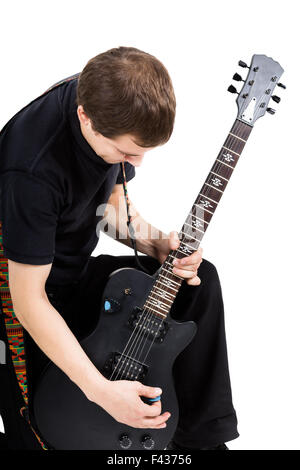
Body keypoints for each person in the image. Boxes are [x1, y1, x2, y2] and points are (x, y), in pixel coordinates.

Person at [0, 46, 238, 450]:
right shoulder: (32, 173)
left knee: (199, 281)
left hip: (70, 273)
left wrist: (158, 243)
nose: (137, 162)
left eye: (144, 152)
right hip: (25, 300)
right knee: (47, 435)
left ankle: (199, 438)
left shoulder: (109, 100)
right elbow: (29, 302)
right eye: (128, 153)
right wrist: (100, 391)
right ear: (84, 119)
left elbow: (109, 209)